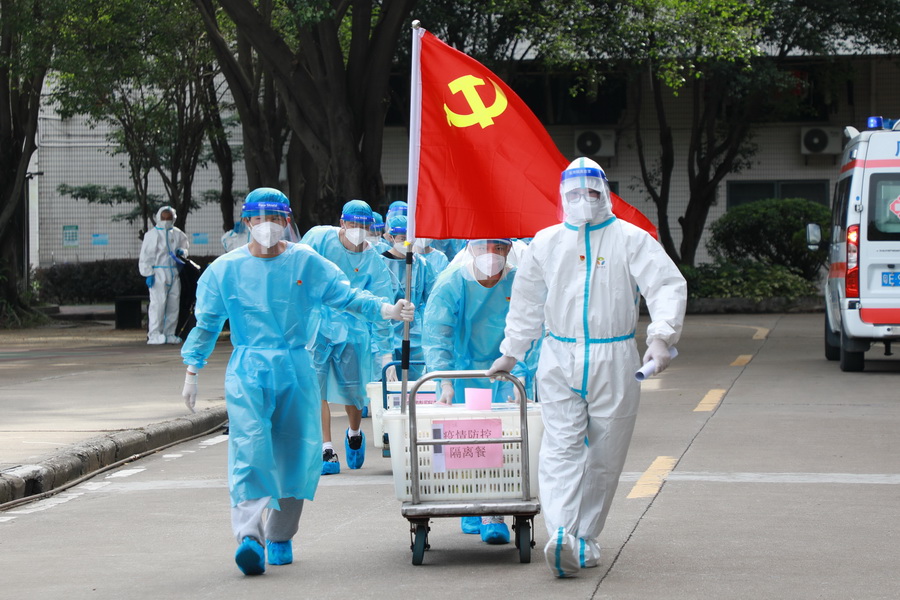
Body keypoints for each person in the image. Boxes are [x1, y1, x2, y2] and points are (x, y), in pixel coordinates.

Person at [180, 188, 414, 576]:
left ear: (287, 221)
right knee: (249, 447)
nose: (267, 226)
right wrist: (192, 368)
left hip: (295, 366)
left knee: (295, 452)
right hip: (248, 370)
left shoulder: (306, 262)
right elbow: (206, 323)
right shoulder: (225, 270)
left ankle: (280, 535)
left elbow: (345, 296)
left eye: (275, 218)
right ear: (247, 221)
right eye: (259, 218)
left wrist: (386, 309)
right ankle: (249, 536)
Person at [487, 157, 687, 578]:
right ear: (563, 196)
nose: (584, 199)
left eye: (592, 192)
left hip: (615, 356)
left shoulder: (630, 239)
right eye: (575, 193)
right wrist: (513, 350)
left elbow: (665, 285)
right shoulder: (546, 242)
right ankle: (562, 532)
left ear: (605, 193)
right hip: (558, 356)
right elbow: (526, 301)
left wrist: (660, 336)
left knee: (605, 454)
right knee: (559, 448)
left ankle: (584, 536)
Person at [422, 238, 540, 545]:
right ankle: (470, 503)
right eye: (484, 246)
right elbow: (437, 334)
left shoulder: (520, 283)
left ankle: (494, 512)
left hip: (505, 372)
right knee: (466, 441)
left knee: (502, 441)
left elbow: (532, 332)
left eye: (499, 247)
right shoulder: (452, 283)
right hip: (463, 371)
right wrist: (444, 380)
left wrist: (523, 374)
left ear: (509, 249)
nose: (492, 254)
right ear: (470, 249)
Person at [301, 200, 397, 475]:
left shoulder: (374, 262)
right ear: (342, 223)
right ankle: (326, 448)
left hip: (354, 329)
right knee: (315, 387)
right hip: (318, 324)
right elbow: (298, 269)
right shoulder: (319, 239)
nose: (356, 229)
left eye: (362, 225)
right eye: (352, 224)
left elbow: (382, 307)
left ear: (370, 228)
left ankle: (354, 432)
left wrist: (385, 352)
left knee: (353, 391)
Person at [380, 214, 438, 380]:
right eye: (402, 239)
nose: (407, 243)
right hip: (386, 330)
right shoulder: (379, 263)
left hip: (415, 331)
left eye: (410, 239)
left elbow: (433, 298)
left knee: (414, 384)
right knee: (386, 385)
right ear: (391, 237)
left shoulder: (421, 264)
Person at [139, 205, 189, 345]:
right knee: (158, 305)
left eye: (169, 217)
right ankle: (154, 334)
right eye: (164, 217)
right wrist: (148, 273)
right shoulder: (152, 235)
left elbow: (185, 248)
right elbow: (146, 256)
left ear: (174, 218)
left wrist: (182, 252)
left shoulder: (178, 233)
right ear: (158, 218)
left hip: (174, 272)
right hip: (158, 273)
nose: (166, 220)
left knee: (173, 304)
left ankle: (169, 333)